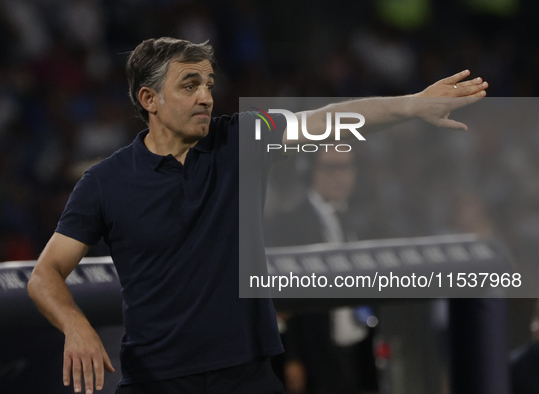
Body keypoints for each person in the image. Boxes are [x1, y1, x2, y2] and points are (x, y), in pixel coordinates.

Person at [26, 37, 488, 394]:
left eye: (208, 83)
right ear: (149, 99)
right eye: (189, 85)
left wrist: (411, 105)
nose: (206, 96)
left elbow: (328, 118)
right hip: (157, 380)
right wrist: (76, 326)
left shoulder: (245, 137)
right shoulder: (104, 183)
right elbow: (45, 274)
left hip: (248, 375)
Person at [265, 150, 379, 394]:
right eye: (332, 168)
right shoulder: (291, 221)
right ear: (311, 171)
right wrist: (292, 357)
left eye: (347, 168)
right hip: (315, 351)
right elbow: (285, 298)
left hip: (355, 342)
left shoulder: (352, 217)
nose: (342, 177)